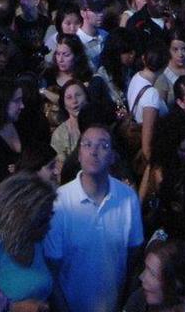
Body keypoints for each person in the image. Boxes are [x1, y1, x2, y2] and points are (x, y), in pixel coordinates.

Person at [44, 125, 145, 312]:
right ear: (79, 154)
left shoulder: (127, 197)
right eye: (87, 144)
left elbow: (134, 255)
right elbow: (52, 268)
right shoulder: (60, 201)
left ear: (113, 156)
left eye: (103, 145)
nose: (94, 151)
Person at [0, 173, 59, 312]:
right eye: (42, 220)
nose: (48, 226)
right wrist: (14, 308)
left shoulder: (35, 240)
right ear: (21, 217)